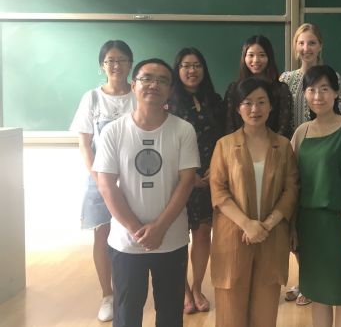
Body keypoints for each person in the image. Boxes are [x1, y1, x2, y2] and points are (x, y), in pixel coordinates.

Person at [94, 58, 200, 327]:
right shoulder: (113, 131)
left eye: (162, 80)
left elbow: (187, 181)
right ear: (134, 85)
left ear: (170, 89)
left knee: (170, 313)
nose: (154, 85)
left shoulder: (183, 130)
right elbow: (106, 185)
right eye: (146, 78)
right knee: (126, 314)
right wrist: (135, 229)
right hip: (126, 242)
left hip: (172, 239)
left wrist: (160, 227)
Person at [210, 77, 299, 327]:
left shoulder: (283, 146)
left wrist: (266, 225)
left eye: (261, 102)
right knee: (230, 313)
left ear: (271, 106)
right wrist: (247, 224)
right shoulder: (224, 145)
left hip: (272, 236)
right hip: (233, 236)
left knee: (265, 313)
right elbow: (218, 191)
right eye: (247, 103)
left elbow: (291, 190)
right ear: (238, 108)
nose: (254, 109)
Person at [293, 65, 341, 327]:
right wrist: (292, 228)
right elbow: (294, 185)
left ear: (336, 93)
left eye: (324, 89)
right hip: (309, 226)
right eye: (312, 90)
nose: (318, 96)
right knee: (318, 296)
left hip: (340, 223)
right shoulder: (301, 133)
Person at [280, 23, 341, 305]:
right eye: (301, 43)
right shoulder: (286, 79)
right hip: (296, 152)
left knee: (320, 221)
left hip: (325, 155)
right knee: (297, 219)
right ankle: (305, 279)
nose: (306, 48)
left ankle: (316, 281)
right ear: (295, 47)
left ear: (320, 46)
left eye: (311, 43)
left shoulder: (332, 77)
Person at [70, 39, 135, 322]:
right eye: (110, 60)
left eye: (121, 60)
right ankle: (107, 294)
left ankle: (129, 290)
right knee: (102, 233)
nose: (116, 65)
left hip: (134, 176)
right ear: (102, 65)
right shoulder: (92, 98)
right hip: (100, 176)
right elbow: (85, 144)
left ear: (131, 64)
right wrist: (99, 179)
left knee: (133, 231)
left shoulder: (139, 93)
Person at [167, 47, 225, 314]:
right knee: (178, 237)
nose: (192, 70)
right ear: (177, 70)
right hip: (177, 180)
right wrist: (189, 177)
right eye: (186, 65)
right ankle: (184, 291)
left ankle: (198, 286)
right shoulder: (168, 103)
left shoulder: (214, 100)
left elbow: (224, 137)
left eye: (197, 65)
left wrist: (215, 169)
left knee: (202, 234)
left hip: (209, 178)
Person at [224, 35, 293, 138]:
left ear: (269, 57)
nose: (256, 60)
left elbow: (284, 127)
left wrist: (268, 145)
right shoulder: (234, 89)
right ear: (244, 57)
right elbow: (229, 125)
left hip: (273, 145)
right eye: (251, 55)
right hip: (238, 145)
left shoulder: (280, 89)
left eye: (262, 55)